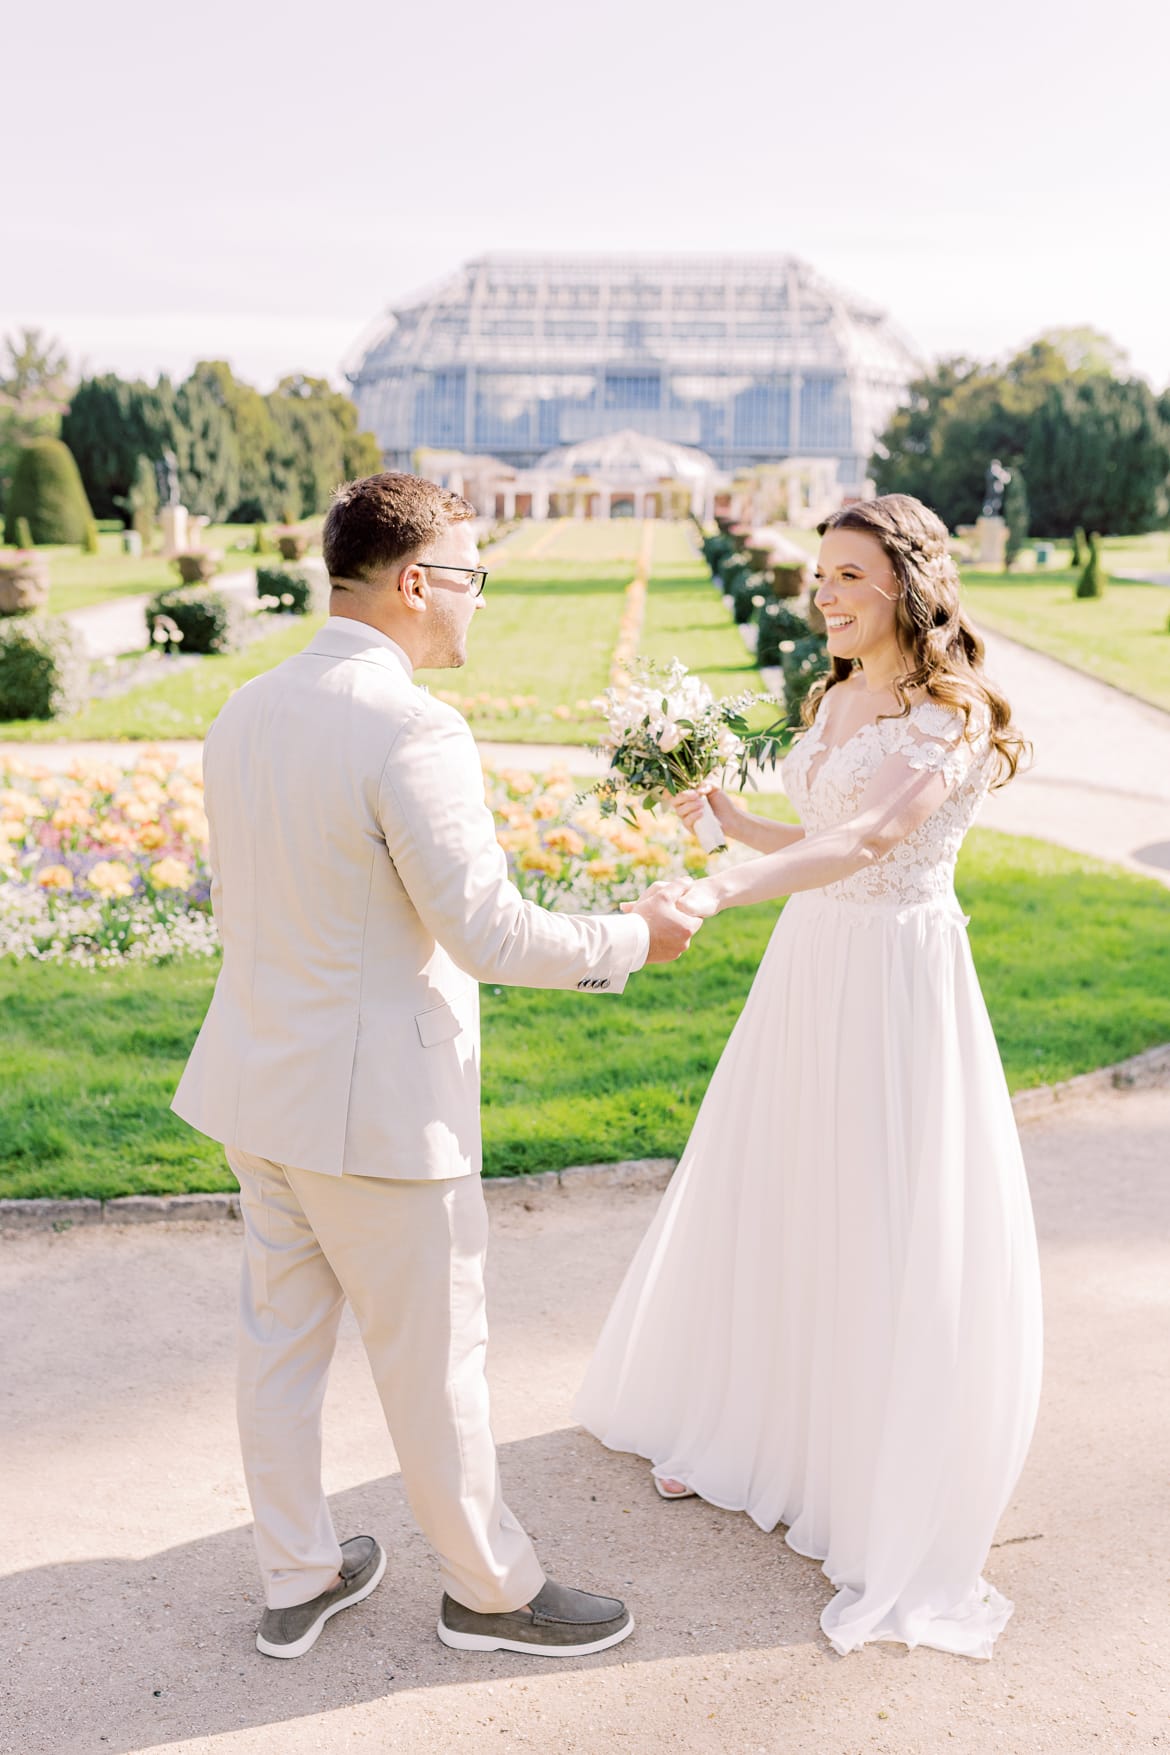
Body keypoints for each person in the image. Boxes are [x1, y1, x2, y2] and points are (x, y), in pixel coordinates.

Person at [172, 472, 698, 1661]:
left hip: (259, 1087)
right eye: (469, 579)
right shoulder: (412, 724)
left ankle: (298, 1574)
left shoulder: (245, 707)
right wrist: (635, 937)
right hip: (373, 1112)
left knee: (278, 1349)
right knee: (437, 1362)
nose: (474, 603)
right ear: (415, 583)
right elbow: (490, 934)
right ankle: (492, 1594)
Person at [577, 493, 1043, 1660]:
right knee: (784, 1190)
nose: (823, 595)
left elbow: (877, 840)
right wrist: (733, 820)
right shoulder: (833, 694)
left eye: (845, 576)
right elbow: (819, 840)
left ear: (906, 585)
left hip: (898, 984)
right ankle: (763, 1432)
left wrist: (723, 891)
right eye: (820, 576)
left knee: (879, 1214)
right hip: (812, 971)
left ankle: (863, 1472)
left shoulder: (955, 713)